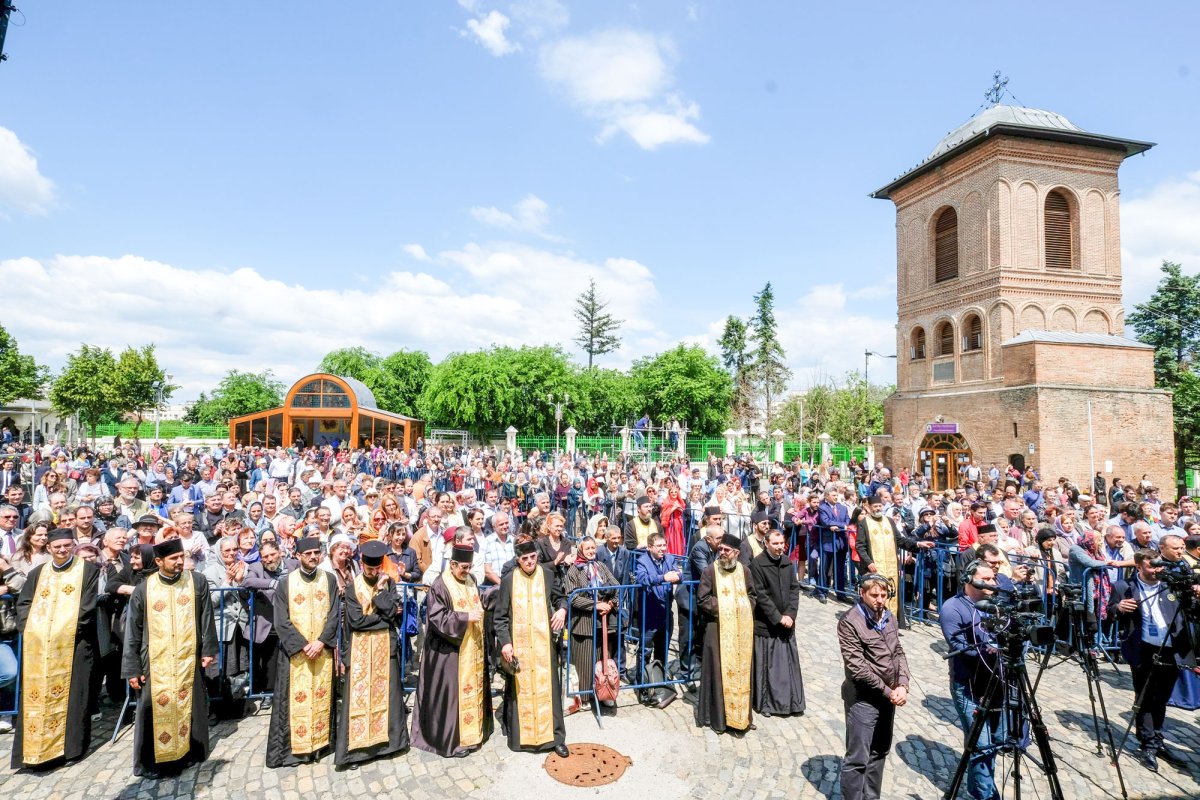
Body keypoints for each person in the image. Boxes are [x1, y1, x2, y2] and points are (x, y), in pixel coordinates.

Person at [122, 538, 218, 777]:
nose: (179, 562)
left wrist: (207, 650)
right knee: (152, 709)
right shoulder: (144, 589)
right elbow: (132, 630)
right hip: (155, 660)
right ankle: (154, 763)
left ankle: (189, 753)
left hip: (187, 658)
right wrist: (132, 668)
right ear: (158, 561)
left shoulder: (196, 581)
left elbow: (206, 617)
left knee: (190, 705)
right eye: (173, 559)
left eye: (181, 557)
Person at [11, 529, 99, 769]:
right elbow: (24, 602)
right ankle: (34, 752)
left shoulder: (88, 570)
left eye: (67, 546)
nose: (62, 550)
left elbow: (87, 607)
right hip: (39, 646)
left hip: (75, 643)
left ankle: (71, 750)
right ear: (48, 548)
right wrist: (28, 628)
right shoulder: (39, 573)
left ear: (73, 545)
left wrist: (64, 632)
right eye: (57, 546)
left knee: (74, 696)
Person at [1109, 549, 1193, 772]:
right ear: (1138, 566)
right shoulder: (1124, 587)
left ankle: (1157, 738)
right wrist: (1119, 607)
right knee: (1145, 696)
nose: (1157, 570)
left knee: (1161, 697)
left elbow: (1192, 611)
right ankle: (1147, 744)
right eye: (1151, 566)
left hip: (1171, 649)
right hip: (1142, 649)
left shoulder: (1171, 584)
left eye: (1159, 566)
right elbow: (1110, 612)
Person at [410, 544, 493, 758]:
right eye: (463, 567)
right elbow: (437, 618)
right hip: (447, 651)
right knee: (451, 697)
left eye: (469, 567)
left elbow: (476, 601)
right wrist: (465, 618)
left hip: (470, 648)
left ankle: (474, 732)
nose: (467, 571)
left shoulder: (471, 580)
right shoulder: (440, 585)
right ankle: (453, 742)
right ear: (453, 564)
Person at [265, 536, 340, 768]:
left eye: (317, 553)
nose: (313, 557)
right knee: (293, 700)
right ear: (298, 556)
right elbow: (281, 619)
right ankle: (293, 751)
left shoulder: (328, 579)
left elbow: (335, 613)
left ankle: (321, 745)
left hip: (322, 652)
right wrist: (302, 644)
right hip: (296, 654)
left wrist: (321, 642)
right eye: (307, 554)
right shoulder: (286, 583)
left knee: (322, 694)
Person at [335, 540, 409, 769]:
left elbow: (396, 614)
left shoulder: (388, 583)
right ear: (361, 564)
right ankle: (358, 752)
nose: (374, 572)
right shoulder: (352, 587)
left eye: (377, 569)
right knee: (358, 699)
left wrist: (380, 593)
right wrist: (384, 617)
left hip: (386, 648)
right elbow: (357, 621)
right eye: (370, 569)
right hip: (360, 651)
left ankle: (390, 745)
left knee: (389, 695)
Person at [493, 539, 570, 758]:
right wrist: (506, 642)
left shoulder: (547, 574)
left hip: (544, 648)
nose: (529, 562)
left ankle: (556, 738)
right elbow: (500, 617)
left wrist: (562, 610)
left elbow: (560, 597)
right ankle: (520, 738)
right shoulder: (509, 580)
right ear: (518, 560)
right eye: (524, 559)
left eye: (532, 557)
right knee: (519, 690)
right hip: (519, 648)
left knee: (551, 692)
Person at [838, 574, 912, 800]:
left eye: (883, 595)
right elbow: (858, 668)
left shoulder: (888, 616)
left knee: (879, 751)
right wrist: (890, 692)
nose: (880, 600)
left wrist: (903, 684)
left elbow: (897, 652)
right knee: (858, 758)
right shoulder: (849, 622)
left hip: (889, 697)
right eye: (874, 595)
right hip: (863, 698)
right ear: (862, 594)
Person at [939, 560, 1003, 800]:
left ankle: (979, 787)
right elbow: (957, 644)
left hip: (995, 683)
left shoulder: (995, 604)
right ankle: (984, 795)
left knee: (994, 743)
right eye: (985, 579)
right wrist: (989, 650)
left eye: (992, 578)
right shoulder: (952, 607)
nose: (991, 583)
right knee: (981, 743)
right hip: (967, 685)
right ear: (969, 578)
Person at [695, 532, 757, 734]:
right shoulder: (710, 572)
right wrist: (726, 607)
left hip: (741, 631)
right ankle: (720, 720)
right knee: (719, 672)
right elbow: (703, 599)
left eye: (726, 550)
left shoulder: (745, 572)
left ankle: (743, 717)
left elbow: (752, 595)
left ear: (736, 553)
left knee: (742, 673)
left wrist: (744, 608)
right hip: (717, 628)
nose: (721, 552)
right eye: (720, 549)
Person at [749, 528, 805, 717]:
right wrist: (778, 617)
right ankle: (768, 704)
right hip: (768, 625)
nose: (780, 547)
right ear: (766, 544)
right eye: (775, 544)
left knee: (788, 666)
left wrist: (790, 614)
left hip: (787, 623)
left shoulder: (787, 562)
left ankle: (793, 702)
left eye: (782, 543)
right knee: (769, 667)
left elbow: (793, 589)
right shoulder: (757, 564)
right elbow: (760, 594)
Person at [855, 494, 935, 623]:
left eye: (880, 506)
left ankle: (891, 622)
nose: (877, 509)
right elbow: (860, 546)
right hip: (875, 568)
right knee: (875, 595)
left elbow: (900, 540)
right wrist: (869, 562)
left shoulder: (889, 521)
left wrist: (918, 544)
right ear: (869, 507)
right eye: (875, 506)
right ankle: (874, 622)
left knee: (891, 593)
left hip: (891, 567)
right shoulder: (864, 523)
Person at [562, 536, 620, 714]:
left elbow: (616, 585)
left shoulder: (601, 566)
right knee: (584, 662)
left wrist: (610, 604)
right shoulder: (573, 570)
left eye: (593, 548)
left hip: (603, 623)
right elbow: (573, 596)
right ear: (580, 550)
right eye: (587, 549)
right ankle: (585, 697)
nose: (591, 552)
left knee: (602, 659)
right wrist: (595, 605)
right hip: (583, 624)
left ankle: (603, 693)